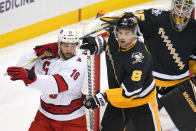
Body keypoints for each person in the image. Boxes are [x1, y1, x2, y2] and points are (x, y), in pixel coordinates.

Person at [98, 0, 196, 130]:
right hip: (149, 83)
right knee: (128, 125)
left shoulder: (194, 29)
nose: (181, 10)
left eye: (185, 8)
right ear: (173, 5)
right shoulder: (156, 17)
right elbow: (133, 21)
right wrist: (122, 21)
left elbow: (194, 58)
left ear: (191, 9)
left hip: (178, 83)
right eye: (179, 6)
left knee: (193, 125)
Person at [81, 14, 161, 131]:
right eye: (120, 32)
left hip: (140, 104)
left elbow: (129, 92)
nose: (122, 37)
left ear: (134, 33)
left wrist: (102, 97)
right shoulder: (115, 39)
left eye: (127, 33)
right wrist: (99, 45)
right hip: (117, 102)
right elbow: (112, 49)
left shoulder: (140, 58)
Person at [6, 28, 87, 131]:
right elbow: (21, 67)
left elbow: (58, 85)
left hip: (72, 120)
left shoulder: (78, 64)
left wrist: (31, 77)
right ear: (59, 45)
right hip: (44, 117)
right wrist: (37, 52)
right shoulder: (48, 60)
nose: (69, 50)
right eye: (66, 45)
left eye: (73, 46)